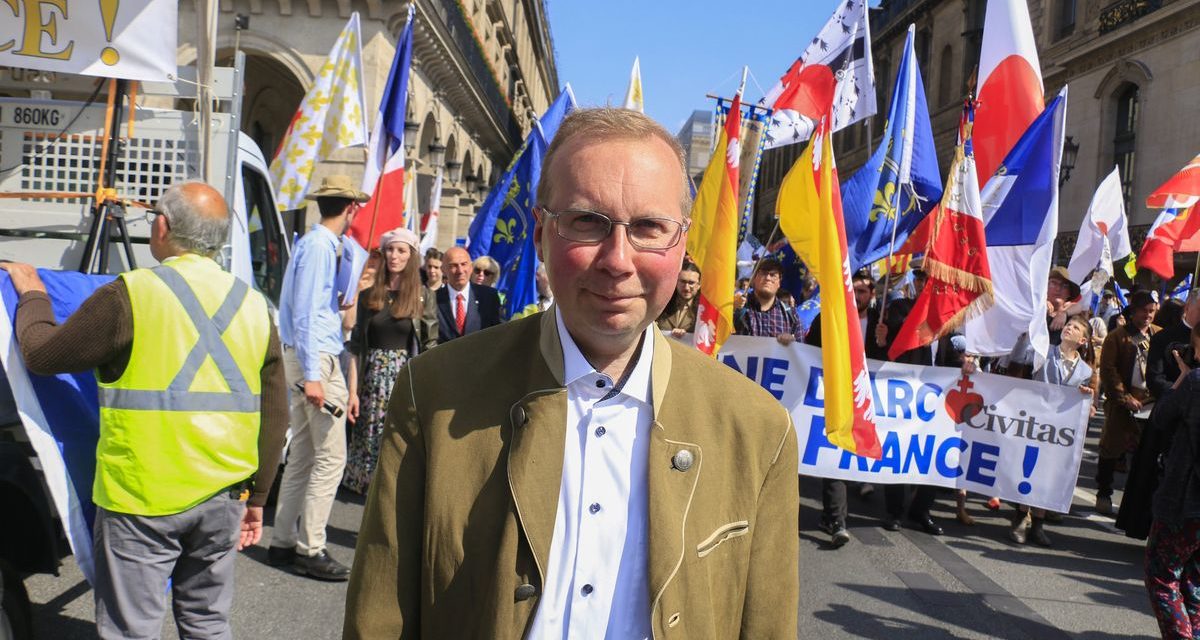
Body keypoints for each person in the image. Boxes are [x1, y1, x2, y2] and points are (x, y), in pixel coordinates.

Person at [343, 107, 799, 638]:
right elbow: (380, 619)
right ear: (540, 234)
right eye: (587, 222)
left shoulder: (758, 429)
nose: (618, 260)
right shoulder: (434, 394)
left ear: (682, 244)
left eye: (649, 227)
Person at [1, 182, 287, 639]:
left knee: (131, 630)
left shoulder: (131, 294)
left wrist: (33, 293)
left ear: (162, 227)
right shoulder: (254, 306)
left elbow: (42, 355)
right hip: (223, 497)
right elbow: (275, 413)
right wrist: (257, 498)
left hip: (142, 497)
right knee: (208, 623)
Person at [270, 174, 366, 581]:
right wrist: (313, 375)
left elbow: (311, 310)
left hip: (309, 356)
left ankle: (283, 541)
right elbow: (309, 314)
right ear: (351, 208)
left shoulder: (315, 245)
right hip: (316, 359)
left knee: (305, 455)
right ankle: (310, 547)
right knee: (330, 458)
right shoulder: (320, 247)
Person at [342, 227, 438, 495]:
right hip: (371, 381)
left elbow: (430, 345)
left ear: (411, 256)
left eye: (401, 250)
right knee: (369, 441)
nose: (394, 256)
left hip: (404, 379)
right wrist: (352, 393)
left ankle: (393, 494)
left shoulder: (423, 295)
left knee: (399, 441)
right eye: (390, 250)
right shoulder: (370, 294)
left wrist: (426, 391)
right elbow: (356, 347)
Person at [805, 270, 881, 546]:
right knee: (835, 452)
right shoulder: (828, 317)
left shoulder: (881, 322)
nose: (857, 295)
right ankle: (836, 519)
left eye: (862, 291)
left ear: (871, 295)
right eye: (853, 290)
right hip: (835, 395)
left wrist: (884, 343)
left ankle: (860, 492)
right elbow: (808, 352)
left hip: (870, 399)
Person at [1007, 315, 1095, 546]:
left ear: (1083, 340)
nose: (1069, 328)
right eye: (1068, 325)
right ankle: (1020, 517)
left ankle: (1038, 522)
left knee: (1048, 474)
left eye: (1075, 328)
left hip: (1059, 431)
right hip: (1036, 422)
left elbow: (1086, 400)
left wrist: (1087, 399)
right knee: (1028, 468)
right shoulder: (1044, 352)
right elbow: (1019, 357)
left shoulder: (1085, 371)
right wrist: (1026, 334)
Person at [1143, 322, 1200, 639]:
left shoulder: (1194, 383)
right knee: (1194, 583)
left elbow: (1162, 416)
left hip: (1185, 500)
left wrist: (1182, 376)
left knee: (1162, 576)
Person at [872, 297, 943, 537]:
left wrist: (967, 363)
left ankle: (921, 510)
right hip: (903, 395)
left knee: (934, 454)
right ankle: (894, 512)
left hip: (937, 398)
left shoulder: (951, 316)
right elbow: (890, 348)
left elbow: (952, 358)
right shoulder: (901, 308)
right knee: (898, 450)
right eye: (921, 279)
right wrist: (882, 342)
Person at [1096, 290, 1160, 515]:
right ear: (1133, 311)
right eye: (1144, 310)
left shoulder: (1158, 335)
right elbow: (1108, 370)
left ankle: (1134, 502)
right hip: (1121, 401)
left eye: (1152, 311)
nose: (1148, 315)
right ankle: (1104, 492)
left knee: (1145, 454)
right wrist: (1124, 397)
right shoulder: (1117, 337)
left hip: (1150, 402)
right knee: (1110, 448)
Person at [435, 246, 502, 342]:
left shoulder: (489, 297)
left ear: (470, 268)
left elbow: (498, 333)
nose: (460, 271)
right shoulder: (433, 299)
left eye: (464, 264)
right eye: (453, 265)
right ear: (443, 270)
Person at [656, 260, 699, 338]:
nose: (686, 288)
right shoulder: (662, 305)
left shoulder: (702, 313)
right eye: (683, 282)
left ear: (699, 285)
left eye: (691, 283)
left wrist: (686, 335)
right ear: (676, 282)